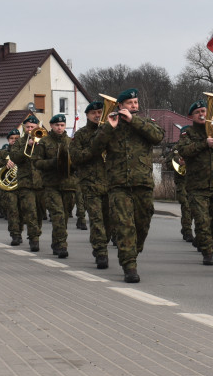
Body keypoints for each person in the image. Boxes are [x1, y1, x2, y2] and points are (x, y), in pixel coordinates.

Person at [91, 88, 165, 283]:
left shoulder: (145, 123)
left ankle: (133, 250)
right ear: (120, 106)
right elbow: (94, 149)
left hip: (143, 183)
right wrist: (108, 128)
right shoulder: (109, 125)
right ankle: (129, 265)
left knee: (143, 223)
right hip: (118, 185)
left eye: (136, 103)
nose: (134, 106)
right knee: (124, 225)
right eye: (130, 103)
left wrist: (135, 121)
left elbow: (158, 136)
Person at [177, 100, 213, 267]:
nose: (202, 114)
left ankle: (203, 239)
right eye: (198, 112)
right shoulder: (188, 133)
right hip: (197, 185)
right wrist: (204, 143)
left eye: (204, 111)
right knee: (201, 220)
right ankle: (207, 252)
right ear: (191, 116)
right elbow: (183, 151)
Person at [69, 101, 111, 269]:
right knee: (96, 218)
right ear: (87, 115)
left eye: (101, 112)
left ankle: (101, 242)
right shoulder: (81, 135)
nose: (97, 115)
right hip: (90, 183)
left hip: (111, 182)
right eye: (93, 113)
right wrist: (94, 150)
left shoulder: (111, 132)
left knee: (109, 221)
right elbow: (76, 157)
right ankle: (101, 251)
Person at [36, 114, 77, 258]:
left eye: (62, 125)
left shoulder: (71, 142)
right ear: (52, 126)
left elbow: (78, 161)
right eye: (57, 125)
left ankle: (56, 242)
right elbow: (37, 162)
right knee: (58, 215)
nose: (60, 128)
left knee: (64, 217)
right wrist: (53, 162)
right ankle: (61, 245)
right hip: (51, 185)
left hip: (68, 184)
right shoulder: (44, 142)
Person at [9, 115, 45, 251]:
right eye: (28, 127)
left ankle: (36, 232)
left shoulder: (43, 140)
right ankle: (34, 238)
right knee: (30, 212)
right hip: (25, 182)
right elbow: (15, 157)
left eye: (32, 127)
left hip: (41, 182)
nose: (30, 129)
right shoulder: (19, 142)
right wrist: (27, 146)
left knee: (40, 212)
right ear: (24, 128)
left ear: (37, 127)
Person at [163, 142, 194, 242]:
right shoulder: (177, 149)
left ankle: (186, 228)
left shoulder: (197, 145)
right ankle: (188, 231)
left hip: (196, 181)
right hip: (182, 182)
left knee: (194, 208)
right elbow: (168, 164)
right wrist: (178, 163)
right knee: (186, 206)